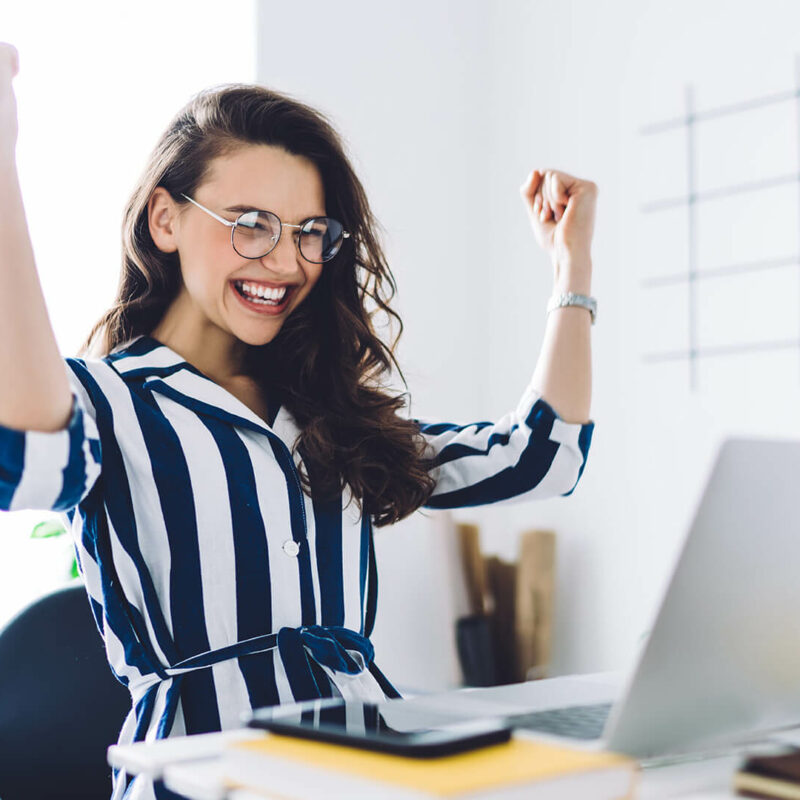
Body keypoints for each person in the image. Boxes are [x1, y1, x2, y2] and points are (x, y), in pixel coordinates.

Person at [0, 42, 597, 800]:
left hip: (366, 775)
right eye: (251, 223)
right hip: (200, 783)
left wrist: (571, 268)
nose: (286, 261)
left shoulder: (331, 416)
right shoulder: (111, 404)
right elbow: (25, 462)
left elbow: (542, 458)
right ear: (165, 219)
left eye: (310, 231)